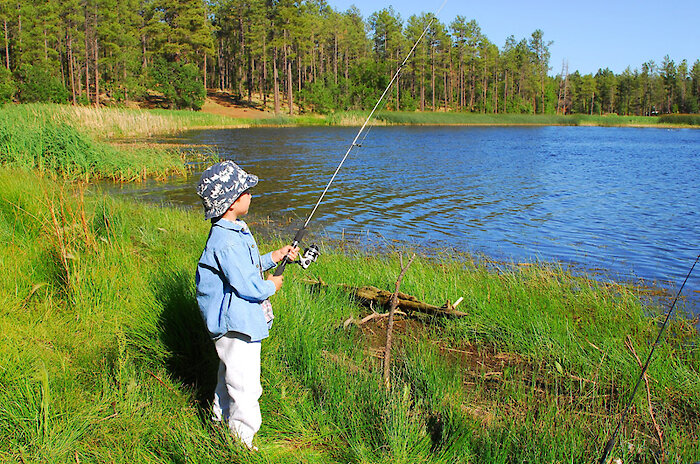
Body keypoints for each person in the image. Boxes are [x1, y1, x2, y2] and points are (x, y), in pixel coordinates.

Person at [195, 160, 298, 450]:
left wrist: (274, 257)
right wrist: (271, 286)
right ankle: (241, 443)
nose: (251, 195)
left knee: (229, 377)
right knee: (246, 386)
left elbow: (245, 267)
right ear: (232, 202)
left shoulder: (233, 230)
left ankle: (219, 420)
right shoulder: (225, 241)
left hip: (237, 323)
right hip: (236, 326)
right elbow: (247, 285)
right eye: (246, 191)